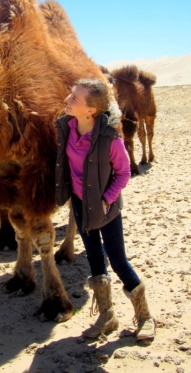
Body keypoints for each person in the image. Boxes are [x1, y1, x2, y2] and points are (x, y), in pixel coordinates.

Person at [55, 78, 156, 341]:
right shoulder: (66, 127)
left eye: (74, 98)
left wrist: (106, 200)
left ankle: (144, 316)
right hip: (79, 205)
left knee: (118, 261)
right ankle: (107, 316)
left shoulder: (110, 139)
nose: (68, 99)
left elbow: (123, 173)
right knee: (95, 261)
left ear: (91, 110)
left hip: (106, 208)